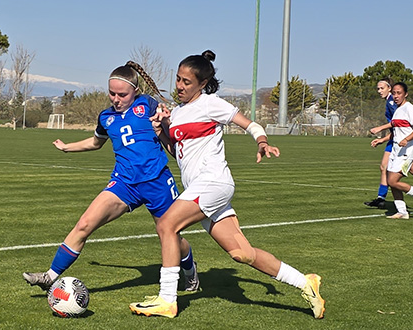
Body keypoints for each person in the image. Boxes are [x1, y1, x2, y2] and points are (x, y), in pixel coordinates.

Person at [129, 50, 325, 319]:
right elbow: (178, 155)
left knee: (166, 224)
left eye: (187, 82)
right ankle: (306, 282)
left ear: (202, 84)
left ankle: (167, 299)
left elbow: (249, 123)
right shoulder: (177, 113)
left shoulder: (211, 104)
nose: (179, 86)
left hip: (213, 183)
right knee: (242, 254)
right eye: (178, 79)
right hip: (200, 187)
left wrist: (262, 142)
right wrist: (162, 131)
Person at [22, 61, 200, 293]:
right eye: (112, 93)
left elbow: (171, 125)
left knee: (171, 236)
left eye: (122, 94)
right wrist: (68, 148)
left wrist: (165, 118)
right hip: (124, 183)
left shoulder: (147, 104)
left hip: (157, 182)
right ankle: (50, 276)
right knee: (85, 224)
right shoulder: (106, 117)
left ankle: (190, 272)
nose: (116, 99)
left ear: (135, 91)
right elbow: (96, 142)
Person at [366, 78, 413, 212]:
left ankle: (385, 198)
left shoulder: (396, 104)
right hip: (397, 142)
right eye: (377, 88)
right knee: (411, 169)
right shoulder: (396, 105)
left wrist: (383, 131)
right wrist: (382, 138)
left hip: (402, 144)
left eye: (382, 88)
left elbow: (409, 125)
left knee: (389, 173)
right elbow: (396, 124)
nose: (379, 91)